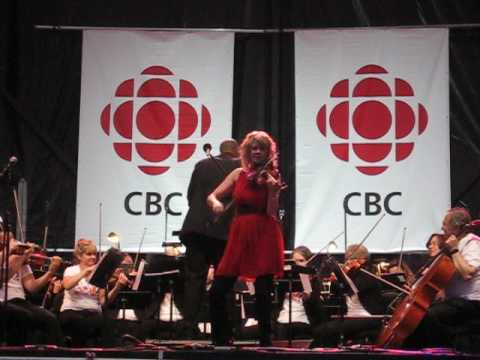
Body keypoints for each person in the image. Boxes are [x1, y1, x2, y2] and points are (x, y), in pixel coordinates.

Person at [207, 130, 285, 346]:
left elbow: (273, 213)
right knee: (218, 290)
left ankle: (265, 341)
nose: (257, 151)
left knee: (262, 292)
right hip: (240, 233)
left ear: (269, 152)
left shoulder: (273, 177)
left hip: (265, 233)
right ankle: (221, 338)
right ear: (247, 152)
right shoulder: (238, 174)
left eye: (261, 148)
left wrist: (273, 192)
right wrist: (215, 203)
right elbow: (212, 195)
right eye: (254, 148)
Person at [179, 139, 240, 337]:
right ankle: (225, 330)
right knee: (225, 282)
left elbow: (191, 196)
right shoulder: (241, 168)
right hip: (224, 231)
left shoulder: (202, 165)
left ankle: (189, 328)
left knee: (194, 279)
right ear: (238, 151)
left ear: (220, 151)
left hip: (196, 229)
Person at [404, 208, 480, 350]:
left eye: (445, 224)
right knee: (419, 317)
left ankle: (439, 351)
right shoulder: (455, 243)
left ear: (456, 227)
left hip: (472, 302)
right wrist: (418, 287)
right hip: (456, 301)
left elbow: (467, 273)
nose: (442, 228)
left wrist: (455, 250)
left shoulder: (473, 243)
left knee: (431, 315)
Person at [0, 222, 64, 345]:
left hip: (19, 301)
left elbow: (32, 287)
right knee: (21, 316)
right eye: (1, 231)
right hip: (3, 301)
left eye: (5, 231)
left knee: (50, 319)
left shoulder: (18, 255)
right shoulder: (13, 255)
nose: (5, 234)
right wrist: (18, 256)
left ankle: (55, 356)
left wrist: (51, 272)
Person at [310, 244, 385, 348]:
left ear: (362, 260)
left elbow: (353, 289)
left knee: (324, 330)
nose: (347, 262)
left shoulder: (368, 274)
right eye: (346, 259)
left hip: (366, 317)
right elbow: (337, 293)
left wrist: (341, 277)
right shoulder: (350, 275)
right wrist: (332, 282)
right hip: (351, 316)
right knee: (321, 328)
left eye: (351, 258)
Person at [59, 239, 129, 347]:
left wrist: (117, 286)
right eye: (89, 254)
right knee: (81, 323)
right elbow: (67, 285)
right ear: (79, 256)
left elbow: (103, 302)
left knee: (109, 323)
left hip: (93, 312)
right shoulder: (71, 270)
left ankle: (107, 356)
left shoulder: (100, 274)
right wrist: (85, 272)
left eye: (94, 254)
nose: (93, 257)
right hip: (72, 311)